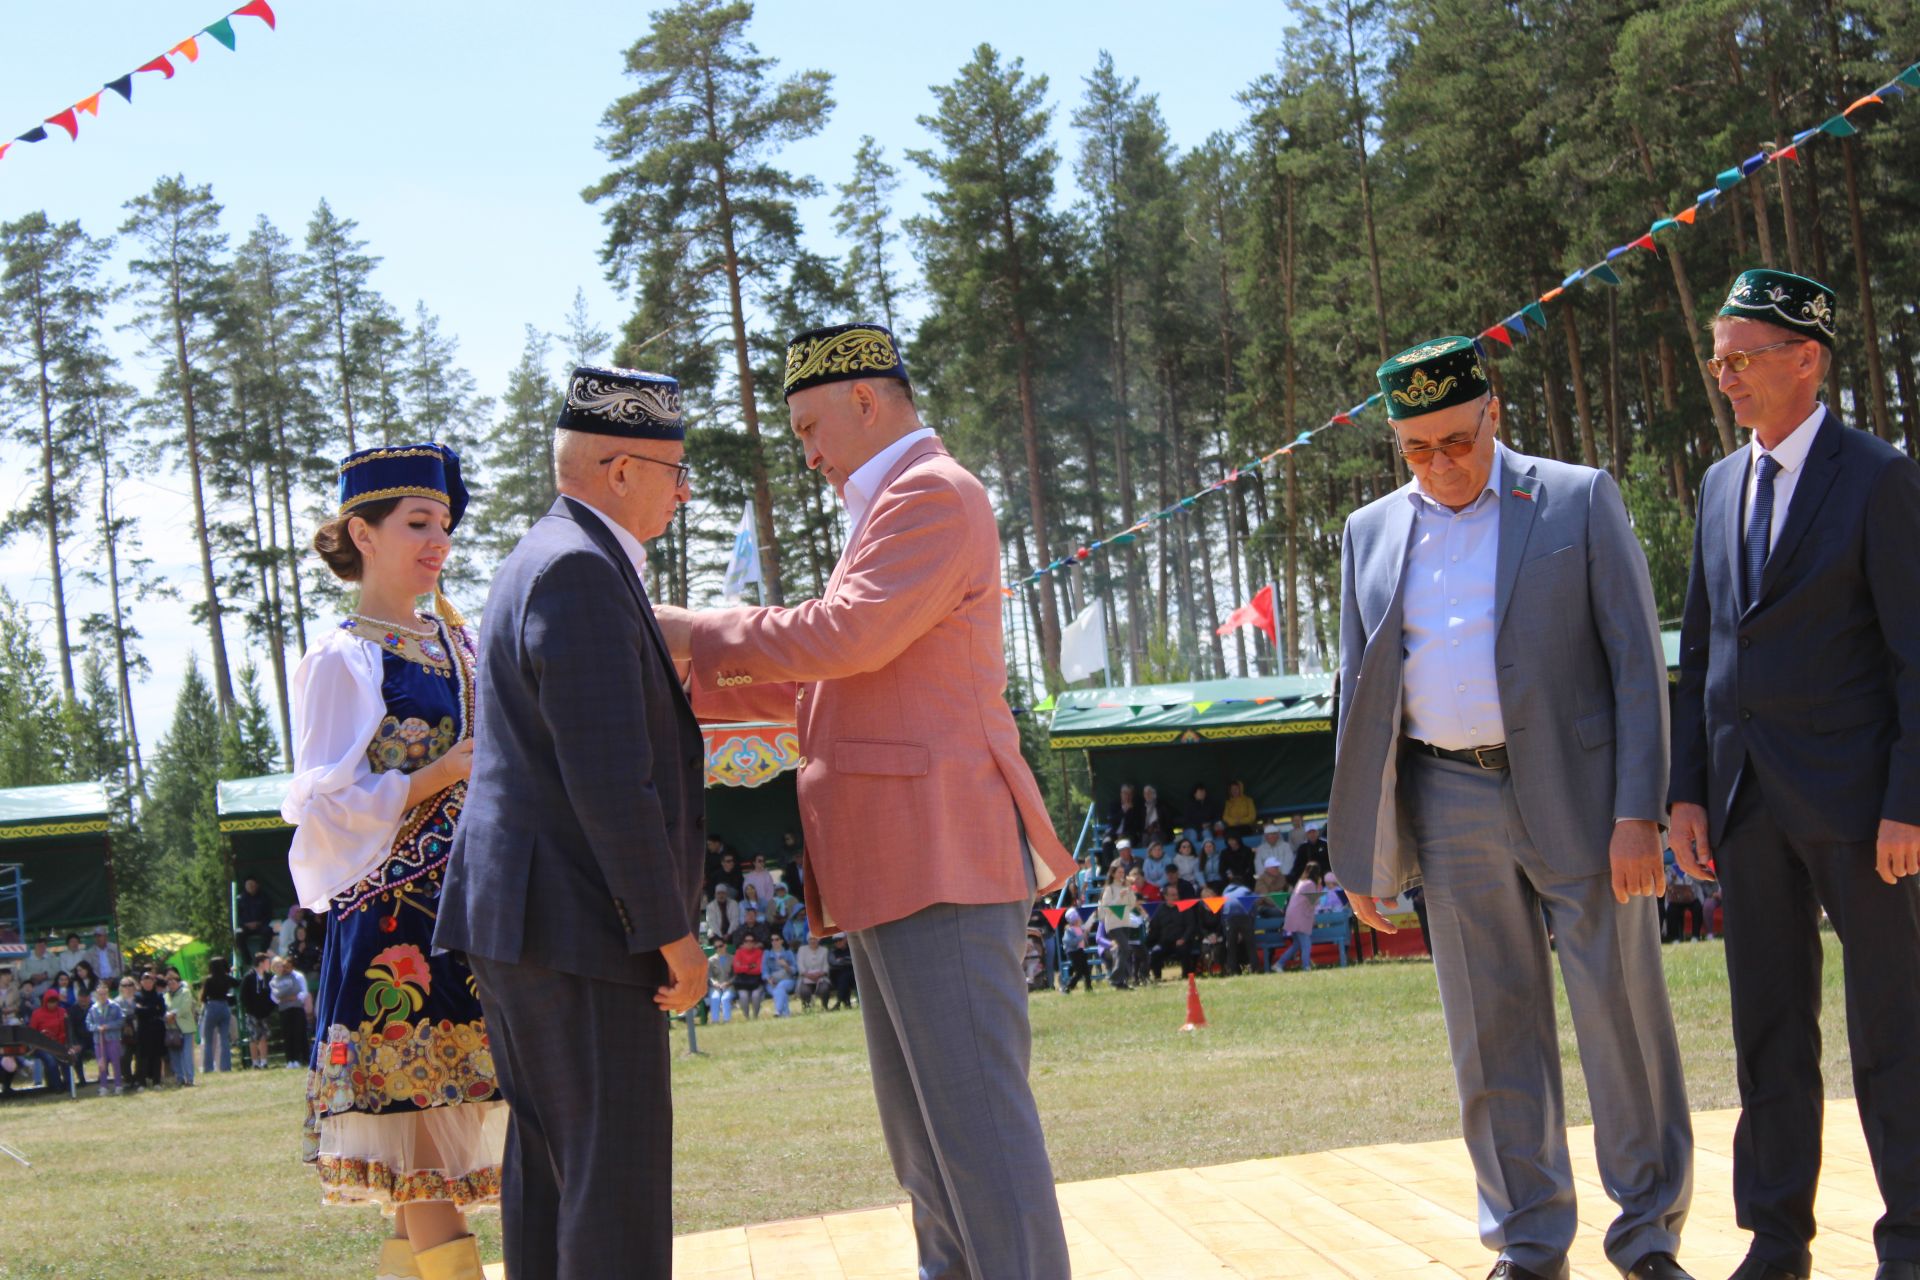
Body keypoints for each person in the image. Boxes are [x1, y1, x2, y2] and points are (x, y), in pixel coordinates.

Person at [658, 322, 1074, 1279]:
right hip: (899, 857)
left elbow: (847, 637)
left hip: (940, 851)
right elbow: (832, 677)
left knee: (979, 1140)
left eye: (808, 426)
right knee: (928, 1146)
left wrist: (695, 632)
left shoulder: (930, 494)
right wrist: (681, 669)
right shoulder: (887, 505)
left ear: (863, 400)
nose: (804, 452)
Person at [1329, 335, 1692, 1280]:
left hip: (1582, 797)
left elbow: (1633, 662)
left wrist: (1638, 812)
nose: (1441, 465)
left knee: (1622, 1014)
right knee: (1489, 1032)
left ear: (1494, 413)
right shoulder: (1369, 533)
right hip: (1446, 798)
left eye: (1458, 441)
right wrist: (1363, 853)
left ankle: (1647, 1236)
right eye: (1417, 449)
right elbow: (1355, 699)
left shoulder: (1576, 497)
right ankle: (1528, 1242)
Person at [1668, 269, 1920, 1280]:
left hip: (1863, 805)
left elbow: (1916, 652)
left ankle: (1907, 1242)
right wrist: (1688, 787)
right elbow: (1700, 649)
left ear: (1805, 359)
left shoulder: (1877, 475)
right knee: (1769, 1031)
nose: (1722, 375)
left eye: (1740, 356)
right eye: (1716, 357)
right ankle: (1776, 1239)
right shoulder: (1722, 484)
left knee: (1894, 1030)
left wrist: (1911, 799)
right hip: (1744, 802)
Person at [434, 368, 706, 1280]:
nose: (684, 489)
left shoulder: (543, 557)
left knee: (555, 1176)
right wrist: (671, 931)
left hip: (532, 920)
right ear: (619, 468)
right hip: (579, 925)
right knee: (613, 1183)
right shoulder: (583, 570)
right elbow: (607, 778)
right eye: (677, 469)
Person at [281, 442, 504, 1280]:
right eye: (417, 523)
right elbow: (324, 804)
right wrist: (442, 771)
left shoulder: (462, 643)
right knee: (414, 1141)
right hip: (390, 927)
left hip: (471, 912)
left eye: (444, 524)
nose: (437, 541)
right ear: (360, 534)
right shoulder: (343, 658)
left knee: (439, 1145)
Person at [1273, 863, 1325, 973]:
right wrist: (1319, 888)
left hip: (1293, 916)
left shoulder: (1301, 882)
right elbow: (1313, 901)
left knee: (1297, 944)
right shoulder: (1310, 883)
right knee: (1306, 943)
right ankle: (1306, 968)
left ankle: (1279, 964)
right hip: (1300, 917)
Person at [1098, 869, 1140, 989]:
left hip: (1124, 922)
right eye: (1119, 872)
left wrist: (1130, 890)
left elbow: (1131, 904)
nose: (1121, 874)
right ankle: (1115, 978)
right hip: (1113, 924)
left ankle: (1120, 982)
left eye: (1123, 872)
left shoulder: (1125, 887)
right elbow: (1106, 908)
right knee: (1126, 948)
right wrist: (1118, 897)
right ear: (1112, 874)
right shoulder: (1109, 889)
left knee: (1122, 951)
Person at [84, 983, 125, 1096]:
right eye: (100, 994)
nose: (102, 996)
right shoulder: (93, 1008)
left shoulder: (115, 1006)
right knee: (101, 1063)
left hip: (113, 1038)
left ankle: (118, 1085)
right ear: (97, 995)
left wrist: (108, 1026)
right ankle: (103, 1086)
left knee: (116, 1062)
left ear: (108, 993)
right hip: (99, 1040)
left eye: (104, 993)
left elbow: (121, 1021)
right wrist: (97, 1028)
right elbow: (88, 1024)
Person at [1142, 895, 1195, 982]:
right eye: (1172, 895)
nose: (1174, 897)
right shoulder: (1160, 909)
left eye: (1175, 894)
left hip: (1181, 941)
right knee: (1155, 953)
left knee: (1185, 951)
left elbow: (1190, 925)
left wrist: (1184, 938)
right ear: (1166, 897)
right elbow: (1155, 927)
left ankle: (1186, 976)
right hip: (1164, 942)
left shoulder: (1185, 908)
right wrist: (1152, 942)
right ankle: (1157, 977)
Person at [268, 957, 308, 1070]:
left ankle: (301, 1058)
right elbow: (273, 996)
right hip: (284, 1009)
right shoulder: (275, 980)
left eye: (283, 965)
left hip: (297, 1008)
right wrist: (282, 999)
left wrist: (294, 998)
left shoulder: (297, 976)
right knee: (287, 1034)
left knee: (298, 1032)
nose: (283, 968)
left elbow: (304, 992)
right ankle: (290, 1059)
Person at [130, 970, 168, 1090]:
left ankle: (157, 1081)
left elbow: (161, 1011)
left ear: (153, 982)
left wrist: (146, 1009)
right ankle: (142, 1082)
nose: (147, 983)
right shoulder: (137, 996)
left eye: (150, 981)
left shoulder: (158, 996)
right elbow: (137, 1011)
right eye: (145, 981)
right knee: (142, 1057)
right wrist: (152, 1008)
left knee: (157, 1055)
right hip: (143, 1029)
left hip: (157, 1029)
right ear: (141, 982)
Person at [28, 989, 70, 1093]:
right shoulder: (37, 1013)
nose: (52, 1004)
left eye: (54, 1001)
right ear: (45, 1001)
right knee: (51, 1060)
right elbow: (32, 1032)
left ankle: (69, 1084)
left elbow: (66, 1029)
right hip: (41, 1046)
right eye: (50, 1002)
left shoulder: (62, 1012)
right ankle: (57, 1086)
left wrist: (62, 1041)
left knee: (66, 1058)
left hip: (59, 1043)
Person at [199, 956, 235, 1074]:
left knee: (208, 1040)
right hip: (224, 1006)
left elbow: (203, 997)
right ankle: (226, 1067)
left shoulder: (209, 980)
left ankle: (208, 1068)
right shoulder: (227, 978)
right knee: (224, 1039)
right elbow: (239, 982)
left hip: (212, 1006)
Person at [240, 952, 276, 1070]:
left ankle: (264, 1061)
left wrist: (269, 1008)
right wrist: (250, 1009)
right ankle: (255, 1062)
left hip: (265, 1013)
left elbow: (273, 995)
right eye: (266, 962)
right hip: (252, 1013)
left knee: (264, 1036)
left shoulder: (269, 977)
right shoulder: (248, 977)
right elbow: (243, 996)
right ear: (261, 963)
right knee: (254, 1037)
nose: (268, 965)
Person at [162, 970, 198, 1087]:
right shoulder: (165, 996)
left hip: (185, 1028)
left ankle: (190, 1079)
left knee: (186, 1054)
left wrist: (173, 1014)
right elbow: (163, 1009)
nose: (171, 985)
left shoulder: (185, 992)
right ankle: (179, 1078)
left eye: (173, 982)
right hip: (171, 1029)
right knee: (174, 1055)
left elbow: (185, 1007)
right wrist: (166, 1016)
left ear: (178, 982)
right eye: (169, 983)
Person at [236, 877, 274, 961]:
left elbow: (269, 914)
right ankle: (247, 959)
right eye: (248, 885)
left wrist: (259, 923)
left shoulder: (264, 898)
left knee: (269, 931)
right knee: (238, 934)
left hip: (260, 925)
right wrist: (245, 924)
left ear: (257, 885)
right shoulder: (239, 899)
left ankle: (261, 955)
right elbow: (237, 916)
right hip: (245, 926)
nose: (250, 887)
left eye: (252, 884)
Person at [731, 934, 767, 1020]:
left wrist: (743, 967)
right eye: (746, 941)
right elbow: (736, 969)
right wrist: (750, 966)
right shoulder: (738, 952)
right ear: (743, 943)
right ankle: (747, 1017)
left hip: (757, 981)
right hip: (742, 981)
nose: (749, 943)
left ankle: (755, 1016)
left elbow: (759, 969)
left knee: (756, 995)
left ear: (754, 943)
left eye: (751, 941)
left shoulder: (759, 952)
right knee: (743, 996)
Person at [762, 935, 797, 1017]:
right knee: (780, 992)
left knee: (781, 986)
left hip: (788, 980)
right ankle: (786, 1014)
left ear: (782, 941)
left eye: (777, 939)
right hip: (772, 982)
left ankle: (778, 1010)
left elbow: (795, 970)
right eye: (772, 940)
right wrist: (768, 979)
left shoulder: (788, 953)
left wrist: (786, 966)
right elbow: (764, 971)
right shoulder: (766, 954)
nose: (774, 941)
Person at [794, 936, 831, 1011]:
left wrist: (820, 974)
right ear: (808, 940)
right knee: (804, 991)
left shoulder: (824, 950)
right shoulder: (802, 950)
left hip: (821, 977)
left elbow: (826, 966)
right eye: (811, 939)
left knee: (824, 989)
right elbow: (800, 965)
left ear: (818, 940)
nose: (813, 941)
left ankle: (824, 1007)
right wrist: (807, 975)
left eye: (815, 939)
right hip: (805, 977)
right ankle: (806, 1009)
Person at [707, 943, 737, 1023]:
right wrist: (714, 983)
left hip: (729, 985)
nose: (718, 948)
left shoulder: (732, 958)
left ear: (725, 946)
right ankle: (715, 1021)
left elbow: (736, 975)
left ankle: (727, 1020)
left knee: (725, 998)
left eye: (720, 946)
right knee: (714, 997)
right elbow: (709, 976)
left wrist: (728, 983)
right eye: (716, 947)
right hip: (715, 986)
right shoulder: (711, 960)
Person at [825, 935, 856, 1011]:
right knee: (844, 977)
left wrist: (841, 960)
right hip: (837, 978)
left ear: (845, 940)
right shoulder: (832, 951)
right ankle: (844, 1003)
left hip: (853, 977)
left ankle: (839, 1002)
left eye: (840, 940)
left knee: (846, 976)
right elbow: (833, 963)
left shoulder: (851, 949)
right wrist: (847, 960)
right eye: (836, 941)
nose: (838, 942)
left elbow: (856, 962)